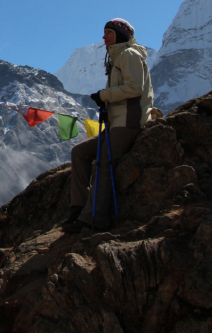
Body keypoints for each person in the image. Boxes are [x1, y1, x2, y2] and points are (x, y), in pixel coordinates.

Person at [62, 18, 154, 233]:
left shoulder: (129, 55)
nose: (104, 37)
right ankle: (79, 206)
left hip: (129, 121)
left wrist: (104, 95)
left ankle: (93, 218)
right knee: (80, 152)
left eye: (108, 33)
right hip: (117, 122)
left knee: (103, 161)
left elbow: (134, 88)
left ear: (120, 35)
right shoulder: (117, 58)